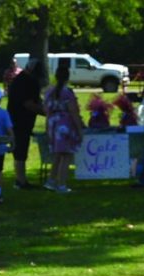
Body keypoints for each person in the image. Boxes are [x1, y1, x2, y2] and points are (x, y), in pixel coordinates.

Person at [7, 57, 47, 189]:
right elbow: (29, 104)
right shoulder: (26, 82)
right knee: (20, 151)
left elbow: (36, 100)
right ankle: (21, 180)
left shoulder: (20, 79)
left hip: (17, 120)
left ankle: (20, 179)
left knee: (20, 150)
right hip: (20, 121)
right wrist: (47, 113)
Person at [43, 62, 83, 194]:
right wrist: (79, 128)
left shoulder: (49, 92)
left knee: (57, 154)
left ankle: (51, 181)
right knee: (66, 155)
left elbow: (46, 111)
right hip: (64, 125)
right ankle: (61, 185)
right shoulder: (67, 92)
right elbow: (73, 111)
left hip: (53, 124)